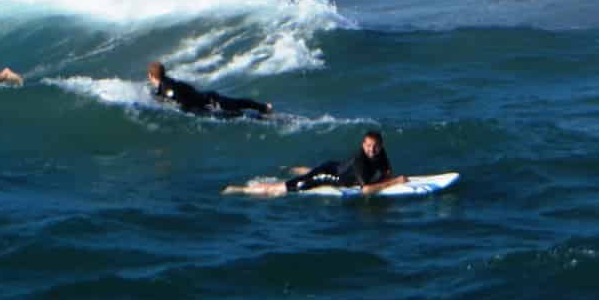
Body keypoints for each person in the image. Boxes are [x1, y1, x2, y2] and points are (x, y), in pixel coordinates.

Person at [225, 131, 406, 196]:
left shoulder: (380, 153)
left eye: (375, 147)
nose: (372, 150)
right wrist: (395, 182)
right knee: (283, 188)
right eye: (368, 146)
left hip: (339, 167)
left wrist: (388, 177)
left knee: (318, 170)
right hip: (329, 176)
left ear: (381, 146)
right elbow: (365, 190)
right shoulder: (361, 161)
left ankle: (295, 169)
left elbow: (387, 170)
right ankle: (240, 189)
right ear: (362, 145)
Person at [147, 61, 272, 118]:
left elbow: (180, 100)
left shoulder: (167, 87)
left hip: (211, 101)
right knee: (237, 109)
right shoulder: (165, 84)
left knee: (237, 106)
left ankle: (264, 108)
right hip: (206, 100)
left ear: (151, 76)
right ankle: (263, 110)